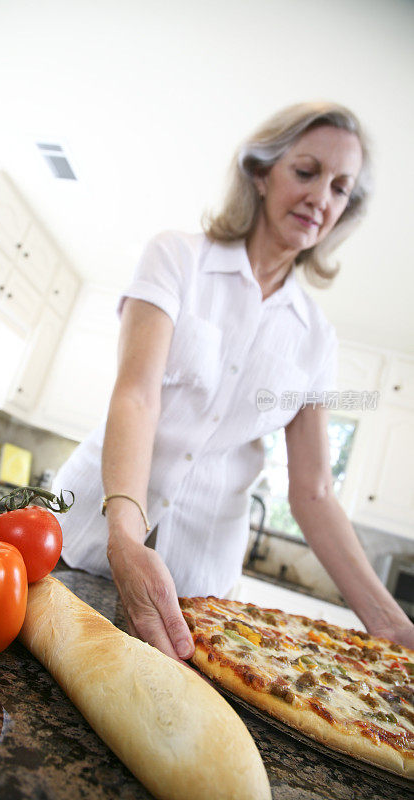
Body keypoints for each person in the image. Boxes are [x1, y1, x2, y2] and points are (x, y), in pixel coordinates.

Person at [53, 101, 414, 659]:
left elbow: (313, 491)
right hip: (85, 529)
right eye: (306, 171)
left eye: (341, 187)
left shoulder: (317, 338)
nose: (322, 197)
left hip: (198, 582)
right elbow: (137, 396)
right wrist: (124, 535)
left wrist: (392, 624)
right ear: (261, 172)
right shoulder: (177, 257)